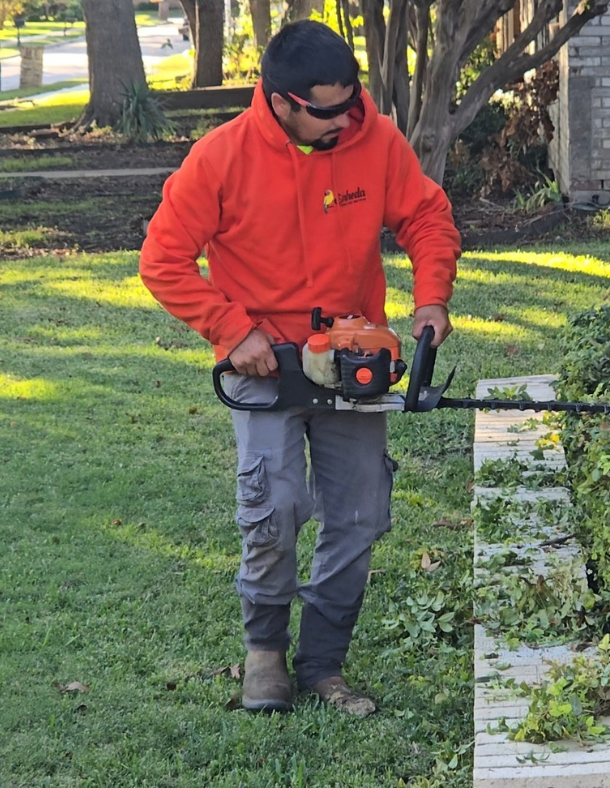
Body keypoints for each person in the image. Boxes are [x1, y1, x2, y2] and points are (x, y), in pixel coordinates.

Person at [139, 19, 461, 716]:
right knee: (273, 508)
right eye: (325, 110)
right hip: (267, 367)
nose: (344, 120)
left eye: (350, 103)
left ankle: (323, 662)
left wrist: (431, 297)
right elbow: (162, 260)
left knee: (360, 512)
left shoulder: (373, 140)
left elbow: (427, 219)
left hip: (351, 359)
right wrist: (230, 330)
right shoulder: (221, 157)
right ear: (279, 100)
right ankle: (264, 654)